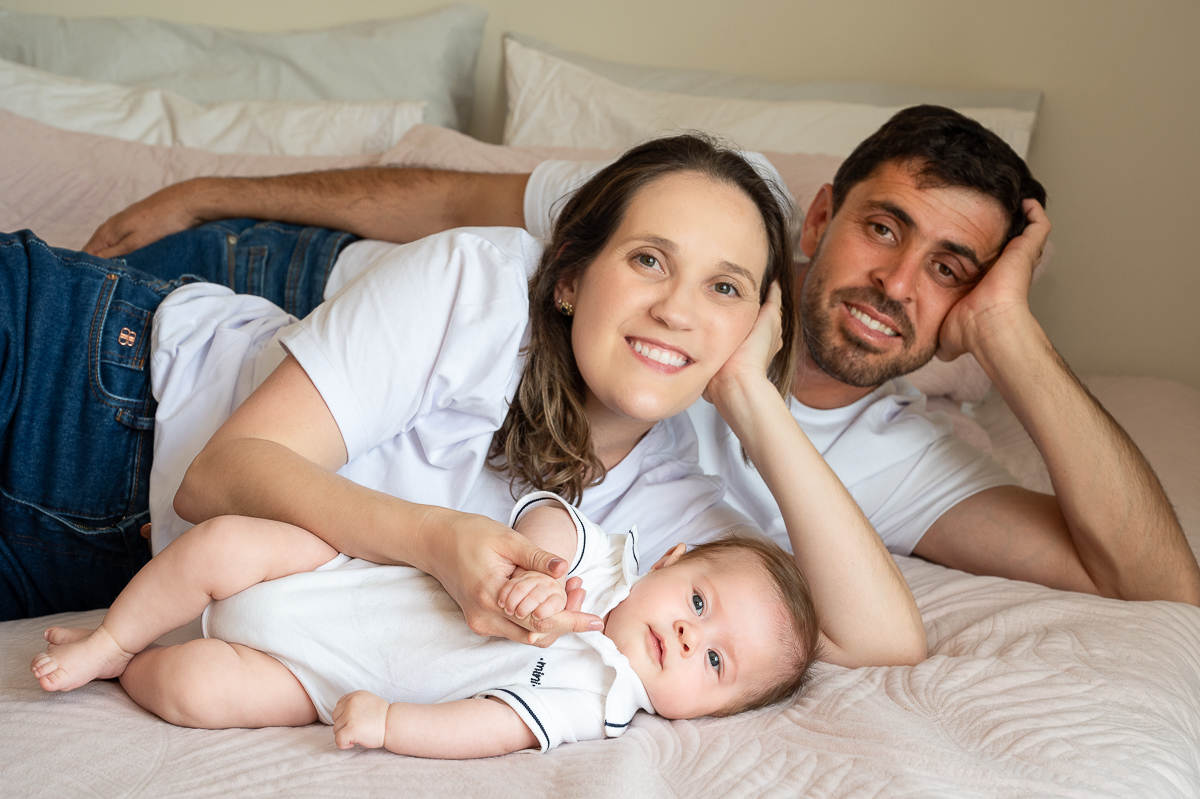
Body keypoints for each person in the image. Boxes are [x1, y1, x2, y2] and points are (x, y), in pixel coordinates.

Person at [85, 106, 1200, 605]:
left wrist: (1012, 334)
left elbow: (1154, 584)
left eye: (955, 270)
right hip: (301, 296)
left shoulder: (893, 456)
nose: (897, 286)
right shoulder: (697, 214)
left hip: (272, 458)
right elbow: (448, 204)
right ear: (818, 216)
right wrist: (212, 189)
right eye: (884, 228)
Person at [2, 134, 926, 674]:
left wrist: (753, 399)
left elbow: (881, 639)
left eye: (725, 290)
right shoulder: (479, 282)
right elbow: (220, 475)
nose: (678, 309)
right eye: (650, 259)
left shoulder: (672, 495)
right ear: (571, 275)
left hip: (103, 566)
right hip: (80, 371)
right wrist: (436, 540)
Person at [32, 492, 820, 757]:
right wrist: (537, 566)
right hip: (330, 569)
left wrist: (392, 723)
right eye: (699, 603)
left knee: (197, 690)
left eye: (716, 664)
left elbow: (487, 727)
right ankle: (114, 633)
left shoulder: (593, 696)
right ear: (673, 558)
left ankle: (125, 667)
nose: (689, 637)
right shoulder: (601, 558)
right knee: (225, 541)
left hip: (312, 680)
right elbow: (544, 510)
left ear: (708, 713)